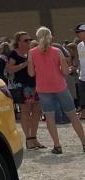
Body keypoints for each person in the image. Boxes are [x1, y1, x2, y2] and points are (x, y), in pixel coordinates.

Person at [30, 26, 85, 154]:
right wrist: (67, 69)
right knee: (73, 116)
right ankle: (83, 142)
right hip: (59, 86)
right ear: (50, 37)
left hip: (43, 88)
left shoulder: (32, 53)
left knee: (50, 117)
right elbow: (65, 71)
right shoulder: (57, 51)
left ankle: (57, 145)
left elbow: (31, 73)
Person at [7, 32, 42, 149]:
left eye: (29, 39)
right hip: (22, 86)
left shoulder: (32, 52)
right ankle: (28, 139)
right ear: (18, 42)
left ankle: (34, 138)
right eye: (25, 40)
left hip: (35, 85)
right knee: (26, 112)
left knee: (37, 112)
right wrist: (25, 64)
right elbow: (10, 69)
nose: (28, 42)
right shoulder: (13, 54)